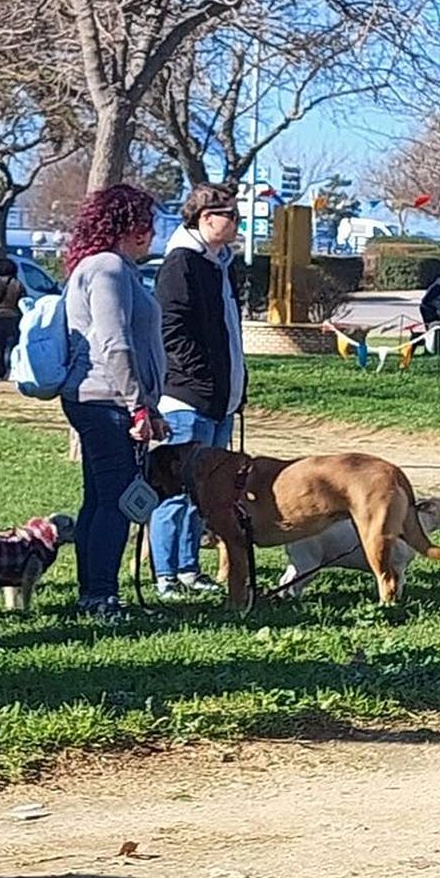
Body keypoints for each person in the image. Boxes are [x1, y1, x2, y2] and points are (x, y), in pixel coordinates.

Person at [59, 184, 167, 620]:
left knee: (99, 498)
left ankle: (93, 591)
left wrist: (146, 405)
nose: (152, 234)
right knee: (116, 501)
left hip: (102, 398)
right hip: (105, 399)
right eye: (148, 224)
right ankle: (101, 596)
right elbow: (115, 342)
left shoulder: (106, 267)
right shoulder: (108, 269)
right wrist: (137, 405)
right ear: (131, 226)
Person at [151, 182, 245, 597]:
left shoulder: (220, 263)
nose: (238, 224)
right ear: (207, 218)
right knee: (176, 490)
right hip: (187, 399)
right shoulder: (181, 263)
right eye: (232, 216)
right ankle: (165, 574)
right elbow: (170, 330)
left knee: (206, 491)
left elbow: (228, 332)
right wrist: (200, 376)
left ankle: (189, 568)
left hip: (221, 400)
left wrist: (236, 384)